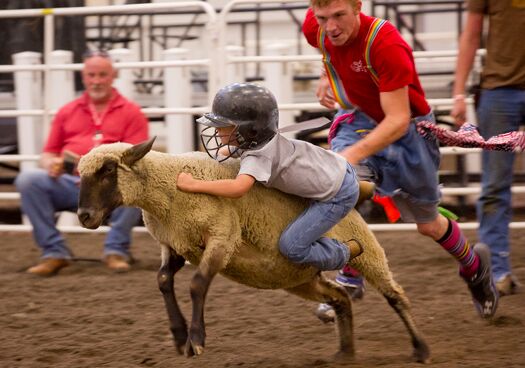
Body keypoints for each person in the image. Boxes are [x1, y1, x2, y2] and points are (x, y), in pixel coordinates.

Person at [303, 0, 499, 318]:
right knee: (341, 184)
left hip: (408, 132)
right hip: (358, 119)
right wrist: (328, 75)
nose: (332, 26)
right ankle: (351, 277)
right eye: (323, 18)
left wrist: (349, 155)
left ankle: (475, 268)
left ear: (358, 7)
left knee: (428, 224)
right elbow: (329, 50)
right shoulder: (317, 27)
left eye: (339, 16)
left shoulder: (385, 42)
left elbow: (396, 119)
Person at [176, 82, 364, 272]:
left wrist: (194, 185)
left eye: (223, 127)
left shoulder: (259, 156)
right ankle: (360, 187)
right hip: (335, 167)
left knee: (291, 247)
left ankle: (344, 252)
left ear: (249, 130)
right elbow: (232, 150)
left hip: (337, 194)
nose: (217, 131)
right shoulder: (262, 139)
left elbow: (238, 188)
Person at [15, 51, 149, 276]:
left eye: (102, 75)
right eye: (91, 75)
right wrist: (52, 164)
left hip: (110, 188)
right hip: (71, 183)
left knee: (135, 182)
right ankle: (54, 252)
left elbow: (136, 158)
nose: (96, 81)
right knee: (28, 180)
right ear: (83, 77)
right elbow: (48, 153)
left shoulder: (132, 112)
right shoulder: (67, 111)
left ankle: (115, 250)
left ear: (113, 75)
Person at [451, 0, 524, 296]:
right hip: (499, 91)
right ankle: (497, 271)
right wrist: (458, 92)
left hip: (500, 95)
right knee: (495, 185)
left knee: (495, 185)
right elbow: (471, 34)